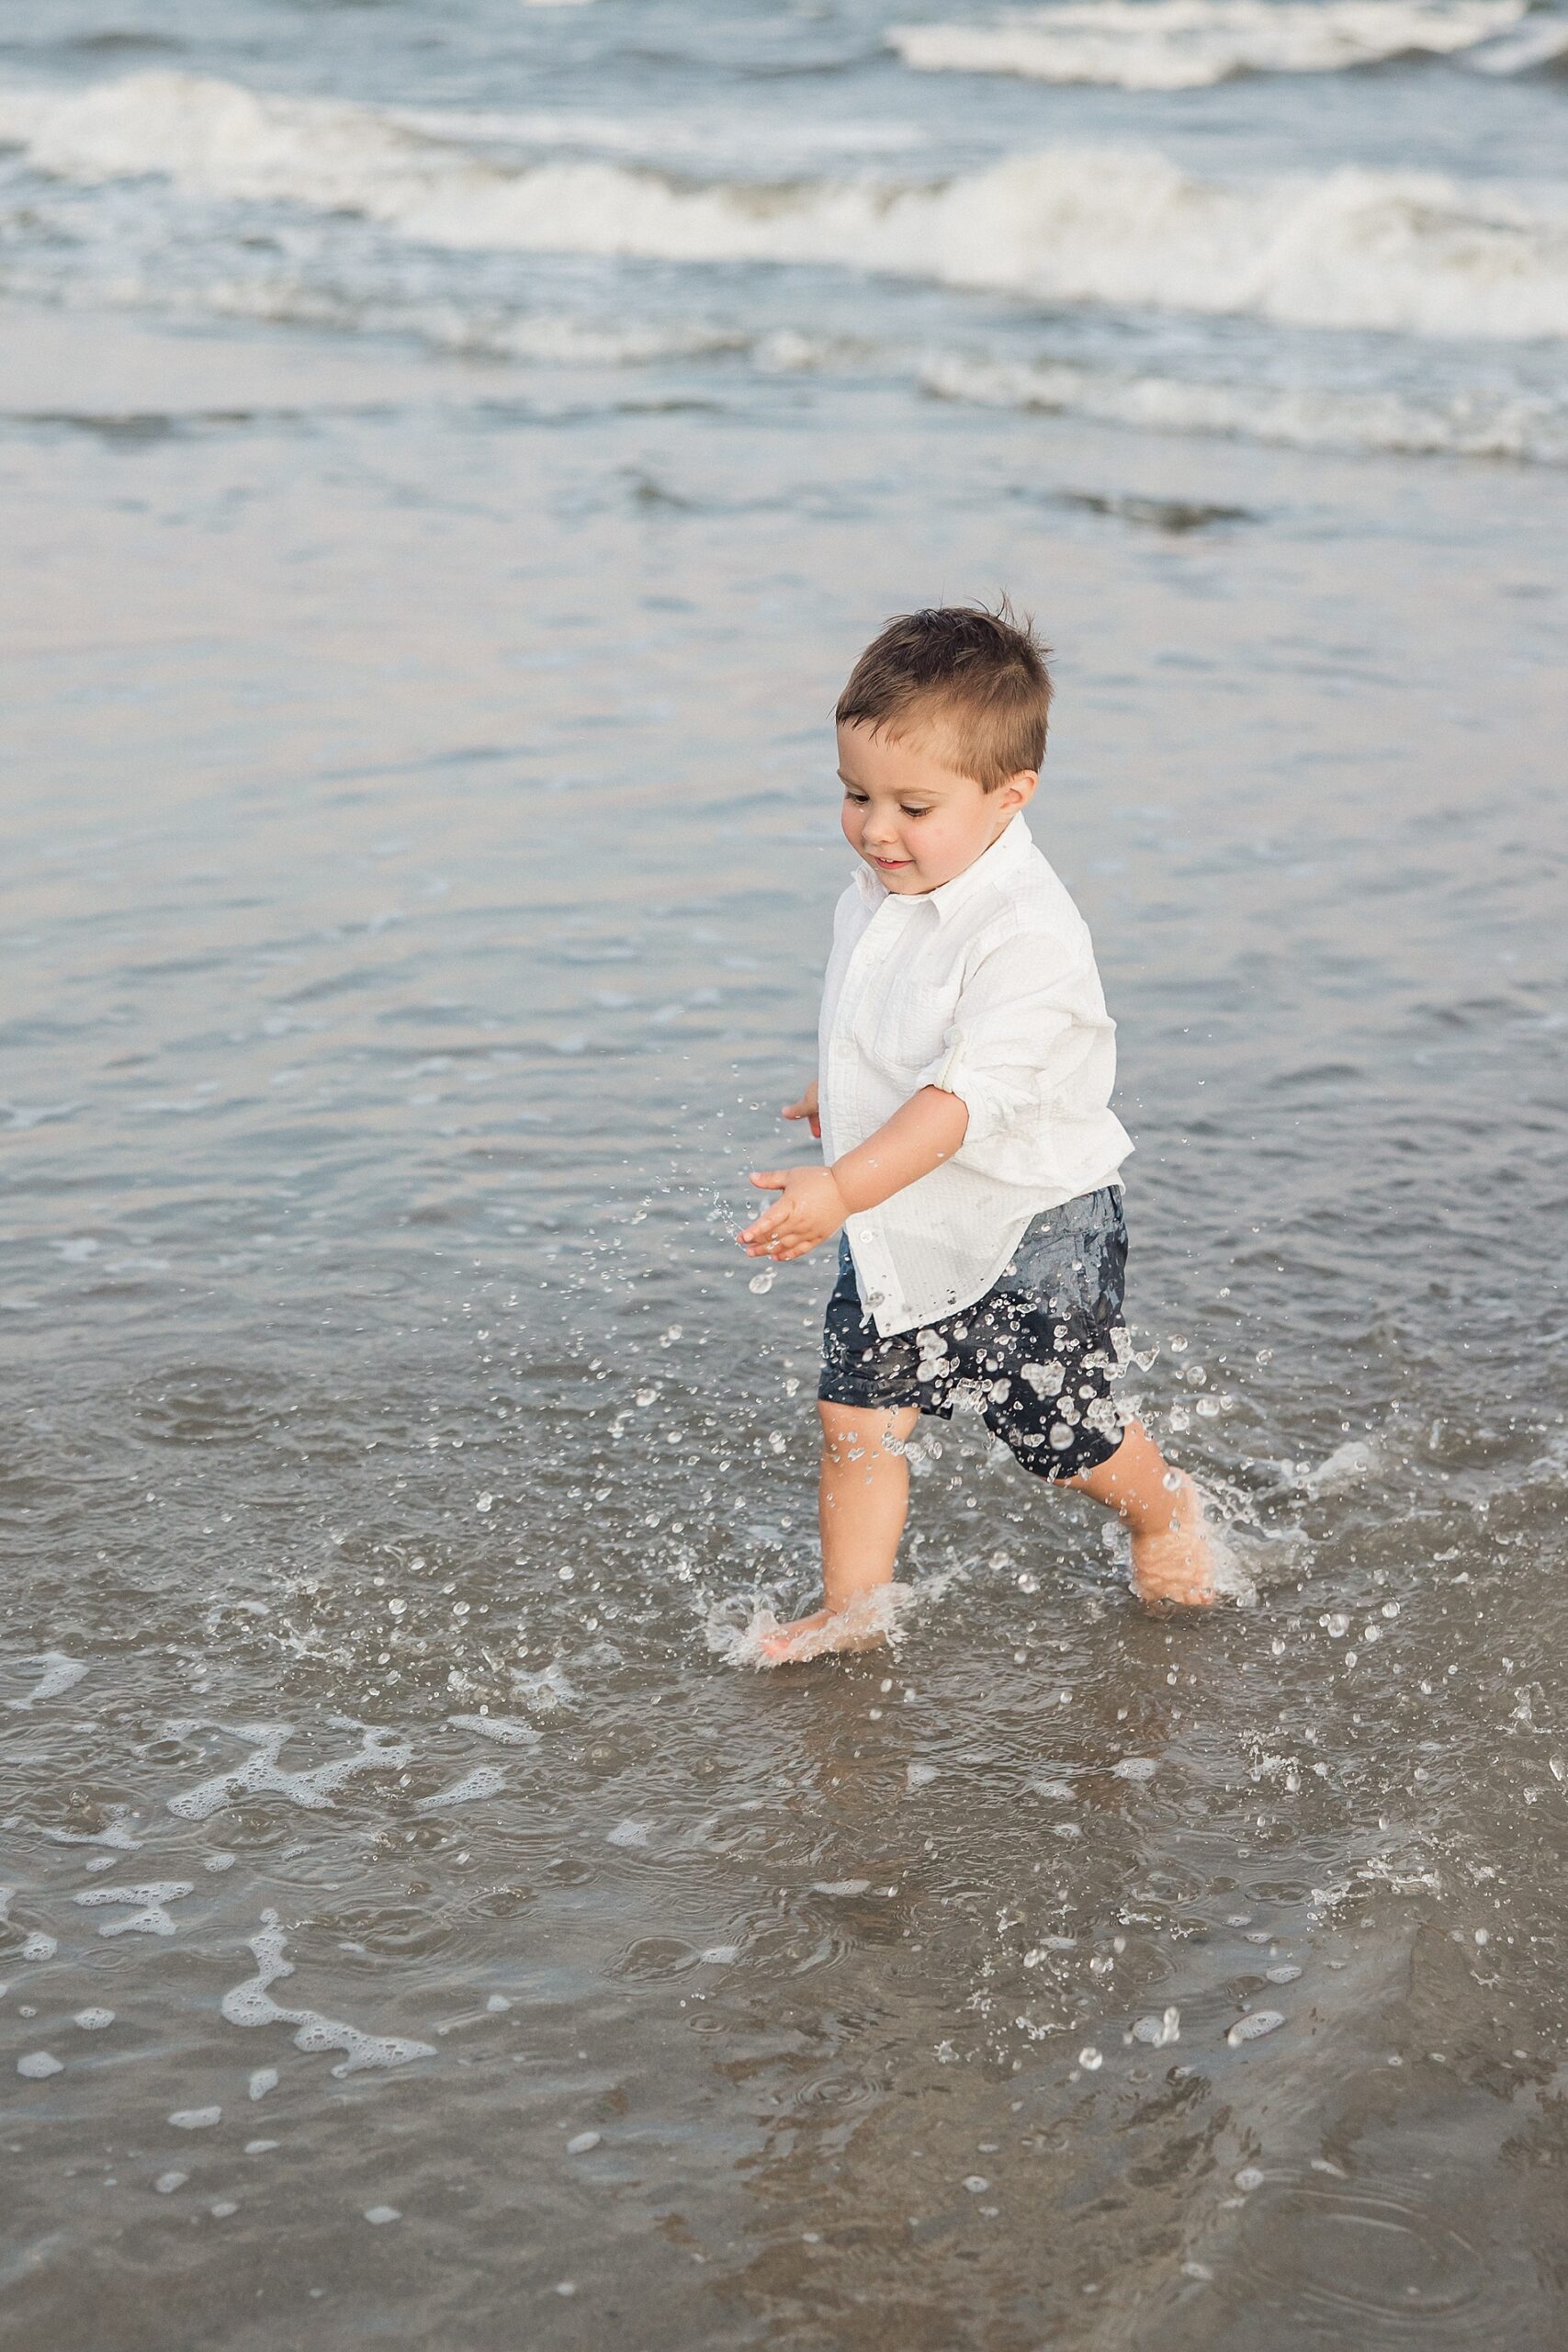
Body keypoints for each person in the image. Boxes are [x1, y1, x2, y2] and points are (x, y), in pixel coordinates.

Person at [737, 602, 1215, 1663]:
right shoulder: (887, 881)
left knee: (1057, 1434)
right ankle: (854, 1610)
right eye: (855, 794)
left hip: (1028, 1215)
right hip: (907, 1207)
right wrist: (841, 1086)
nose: (873, 829)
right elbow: (885, 1012)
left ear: (1011, 797)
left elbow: (959, 1102)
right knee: (856, 1417)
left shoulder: (1027, 935)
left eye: (912, 804)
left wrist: (843, 1185)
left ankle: (1162, 1505)